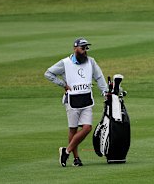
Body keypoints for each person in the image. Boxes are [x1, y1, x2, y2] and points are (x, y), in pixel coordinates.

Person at [44, 37, 109, 167]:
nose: (85, 51)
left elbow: (99, 77)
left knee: (87, 128)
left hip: (86, 100)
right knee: (73, 130)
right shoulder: (65, 63)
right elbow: (49, 73)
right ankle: (76, 159)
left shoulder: (91, 61)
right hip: (71, 100)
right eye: (82, 48)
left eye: (86, 48)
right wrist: (63, 84)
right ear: (75, 49)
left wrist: (105, 92)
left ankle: (66, 151)